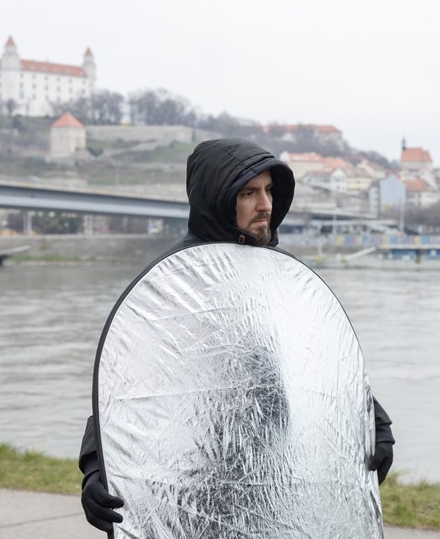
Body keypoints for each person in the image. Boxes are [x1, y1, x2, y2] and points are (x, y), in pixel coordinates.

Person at [80, 137, 395, 533]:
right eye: (249, 193)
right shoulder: (174, 289)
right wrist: (95, 468)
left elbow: (315, 367)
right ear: (218, 198)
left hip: (284, 492)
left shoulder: (283, 282)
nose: (266, 204)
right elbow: (130, 388)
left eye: (268, 190)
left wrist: (374, 423)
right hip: (196, 502)